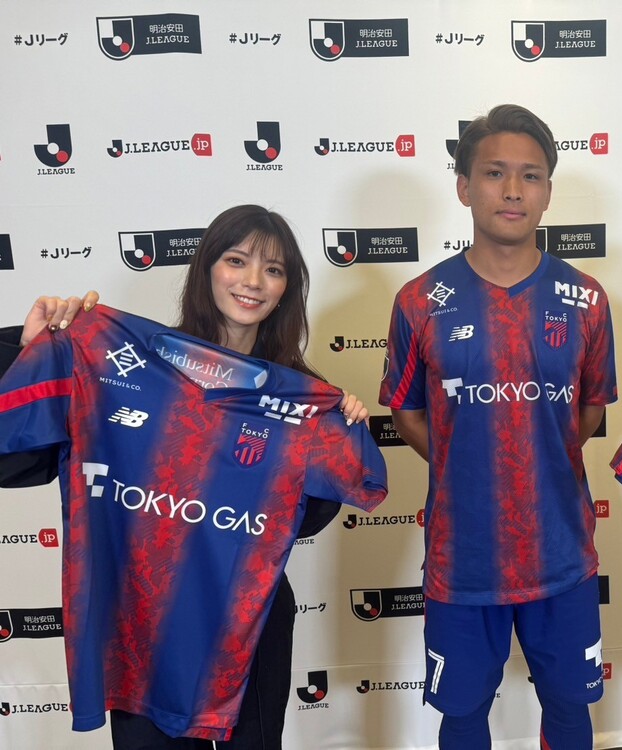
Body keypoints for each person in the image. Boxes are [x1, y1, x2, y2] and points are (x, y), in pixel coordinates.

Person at [0, 205, 377, 749]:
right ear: (207, 269)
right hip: (144, 621)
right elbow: (15, 460)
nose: (253, 281)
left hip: (249, 623)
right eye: (236, 260)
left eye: (273, 269)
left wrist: (339, 431)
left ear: (287, 289)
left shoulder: (298, 396)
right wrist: (29, 351)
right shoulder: (125, 367)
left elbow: (305, 520)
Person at [379, 104, 617, 749]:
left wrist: (541, 453)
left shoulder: (587, 299)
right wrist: (462, 457)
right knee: (461, 716)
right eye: (494, 173)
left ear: (547, 192)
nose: (513, 190)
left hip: (562, 553)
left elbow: (590, 411)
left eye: (530, 176)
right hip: (463, 558)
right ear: (464, 187)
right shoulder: (418, 301)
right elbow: (406, 411)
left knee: (569, 707)